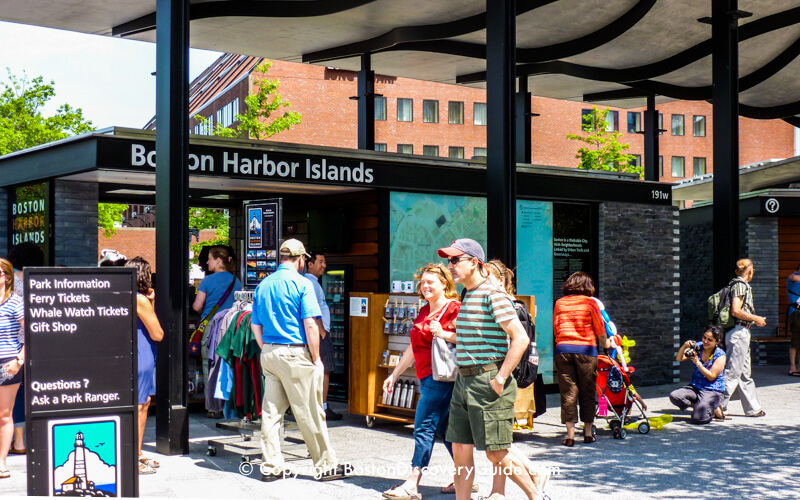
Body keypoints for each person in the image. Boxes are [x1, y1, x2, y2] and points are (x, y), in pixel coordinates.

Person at [439, 239, 549, 500]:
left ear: (475, 262)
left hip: (487, 378)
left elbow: (520, 339)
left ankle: (537, 496)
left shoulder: (492, 293)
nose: (450, 266)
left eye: (455, 260)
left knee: (496, 451)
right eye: (449, 261)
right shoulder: (468, 294)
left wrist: (500, 378)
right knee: (460, 449)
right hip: (464, 379)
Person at [250, 239, 348, 482]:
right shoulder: (302, 283)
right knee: (311, 412)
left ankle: (272, 466)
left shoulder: (264, 284)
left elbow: (255, 324)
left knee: (271, 414)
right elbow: (311, 324)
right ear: (301, 258)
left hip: (270, 353)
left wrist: (267, 348)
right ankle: (326, 466)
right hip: (295, 352)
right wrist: (316, 358)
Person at [381, 263, 461, 500]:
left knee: (424, 427)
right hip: (427, 376)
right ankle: (465, 477)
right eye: (423, 282)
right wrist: (394, 375)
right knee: (445, 430)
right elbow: (412, 348)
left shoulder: (454, 308)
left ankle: (412, 484)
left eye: (430, 282)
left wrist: (443, 333)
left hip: (442, 378)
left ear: (444, 284)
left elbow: (468, 339)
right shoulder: (426, 309)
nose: (425, 286)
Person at [553, 271, 611, 447]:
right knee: (587, 391)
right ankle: (587, 433)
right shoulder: (590, 303)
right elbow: (600, 328)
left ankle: (570, 436)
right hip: (586, 351)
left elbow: (556, 327)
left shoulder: (560, 303)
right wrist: (607, 344)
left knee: (568, 393)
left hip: (563, 349)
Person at [125, 257, 164, 474]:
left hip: (129, 353)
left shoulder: (121, 296)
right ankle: (134, 455)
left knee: (140, 403)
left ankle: (136, 452)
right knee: (141, 406)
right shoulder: (140, 299)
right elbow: (157, 333)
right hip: (142, 355)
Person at [192, 246, 242, 416]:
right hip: (231, 328)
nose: (207, 262)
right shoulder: (237, 281)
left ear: (218, 261)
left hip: (211, 328)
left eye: (210, 259)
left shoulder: (207, 281)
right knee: (229, 365)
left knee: (209, 366)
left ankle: (213, 407)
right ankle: (230, 405)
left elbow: (197, 306)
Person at [6, 242, 44, 456]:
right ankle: (32, 438)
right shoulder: (38, 280)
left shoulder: (12, 282)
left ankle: (18, 441)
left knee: (15, 395)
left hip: (13, 344)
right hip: (36, 342)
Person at [720, 259, 766, 418]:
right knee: (732, 372)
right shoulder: (740, 285)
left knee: (745, 373)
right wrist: (756, 318)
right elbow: (736, 311)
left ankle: (753, 409)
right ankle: (717, 406)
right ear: (750, 271)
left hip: (741, 332)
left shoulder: (738, 284)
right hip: (739, 332)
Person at [304, 250, 341, 421]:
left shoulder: (313, 282)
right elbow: (312, 310)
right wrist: (322, 331)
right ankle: (323, 407)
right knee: (325, 370)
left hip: (317, 331)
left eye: (324, 262)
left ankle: (317, 406)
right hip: (319, 332)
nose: (324, 266)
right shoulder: (310, 283)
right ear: (309, 264)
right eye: (320, 262)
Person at [670, 326, 727, 424]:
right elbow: (679, 358)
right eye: (704, 338)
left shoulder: (720, 355)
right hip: (696, 387)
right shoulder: (698, 347)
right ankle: (702, 405)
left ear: (717, 342)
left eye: (710, 340)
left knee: (698, 419)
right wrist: (684, 346)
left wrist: (698, 363)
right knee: (675, 396)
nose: (705, 341)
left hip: (712, 389)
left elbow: (711, 376)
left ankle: (714, 408)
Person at [0, 258, 24, 479]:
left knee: (4, 415)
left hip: (7, 361)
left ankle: (1, 462)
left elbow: (31, 333)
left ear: (6, 277)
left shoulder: (16, 302)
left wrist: (19, 360)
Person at [786, 264, 800, 376]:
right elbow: (793, 278)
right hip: (796, 312)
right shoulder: (794, 277)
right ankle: (792, 367)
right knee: (795, 340)